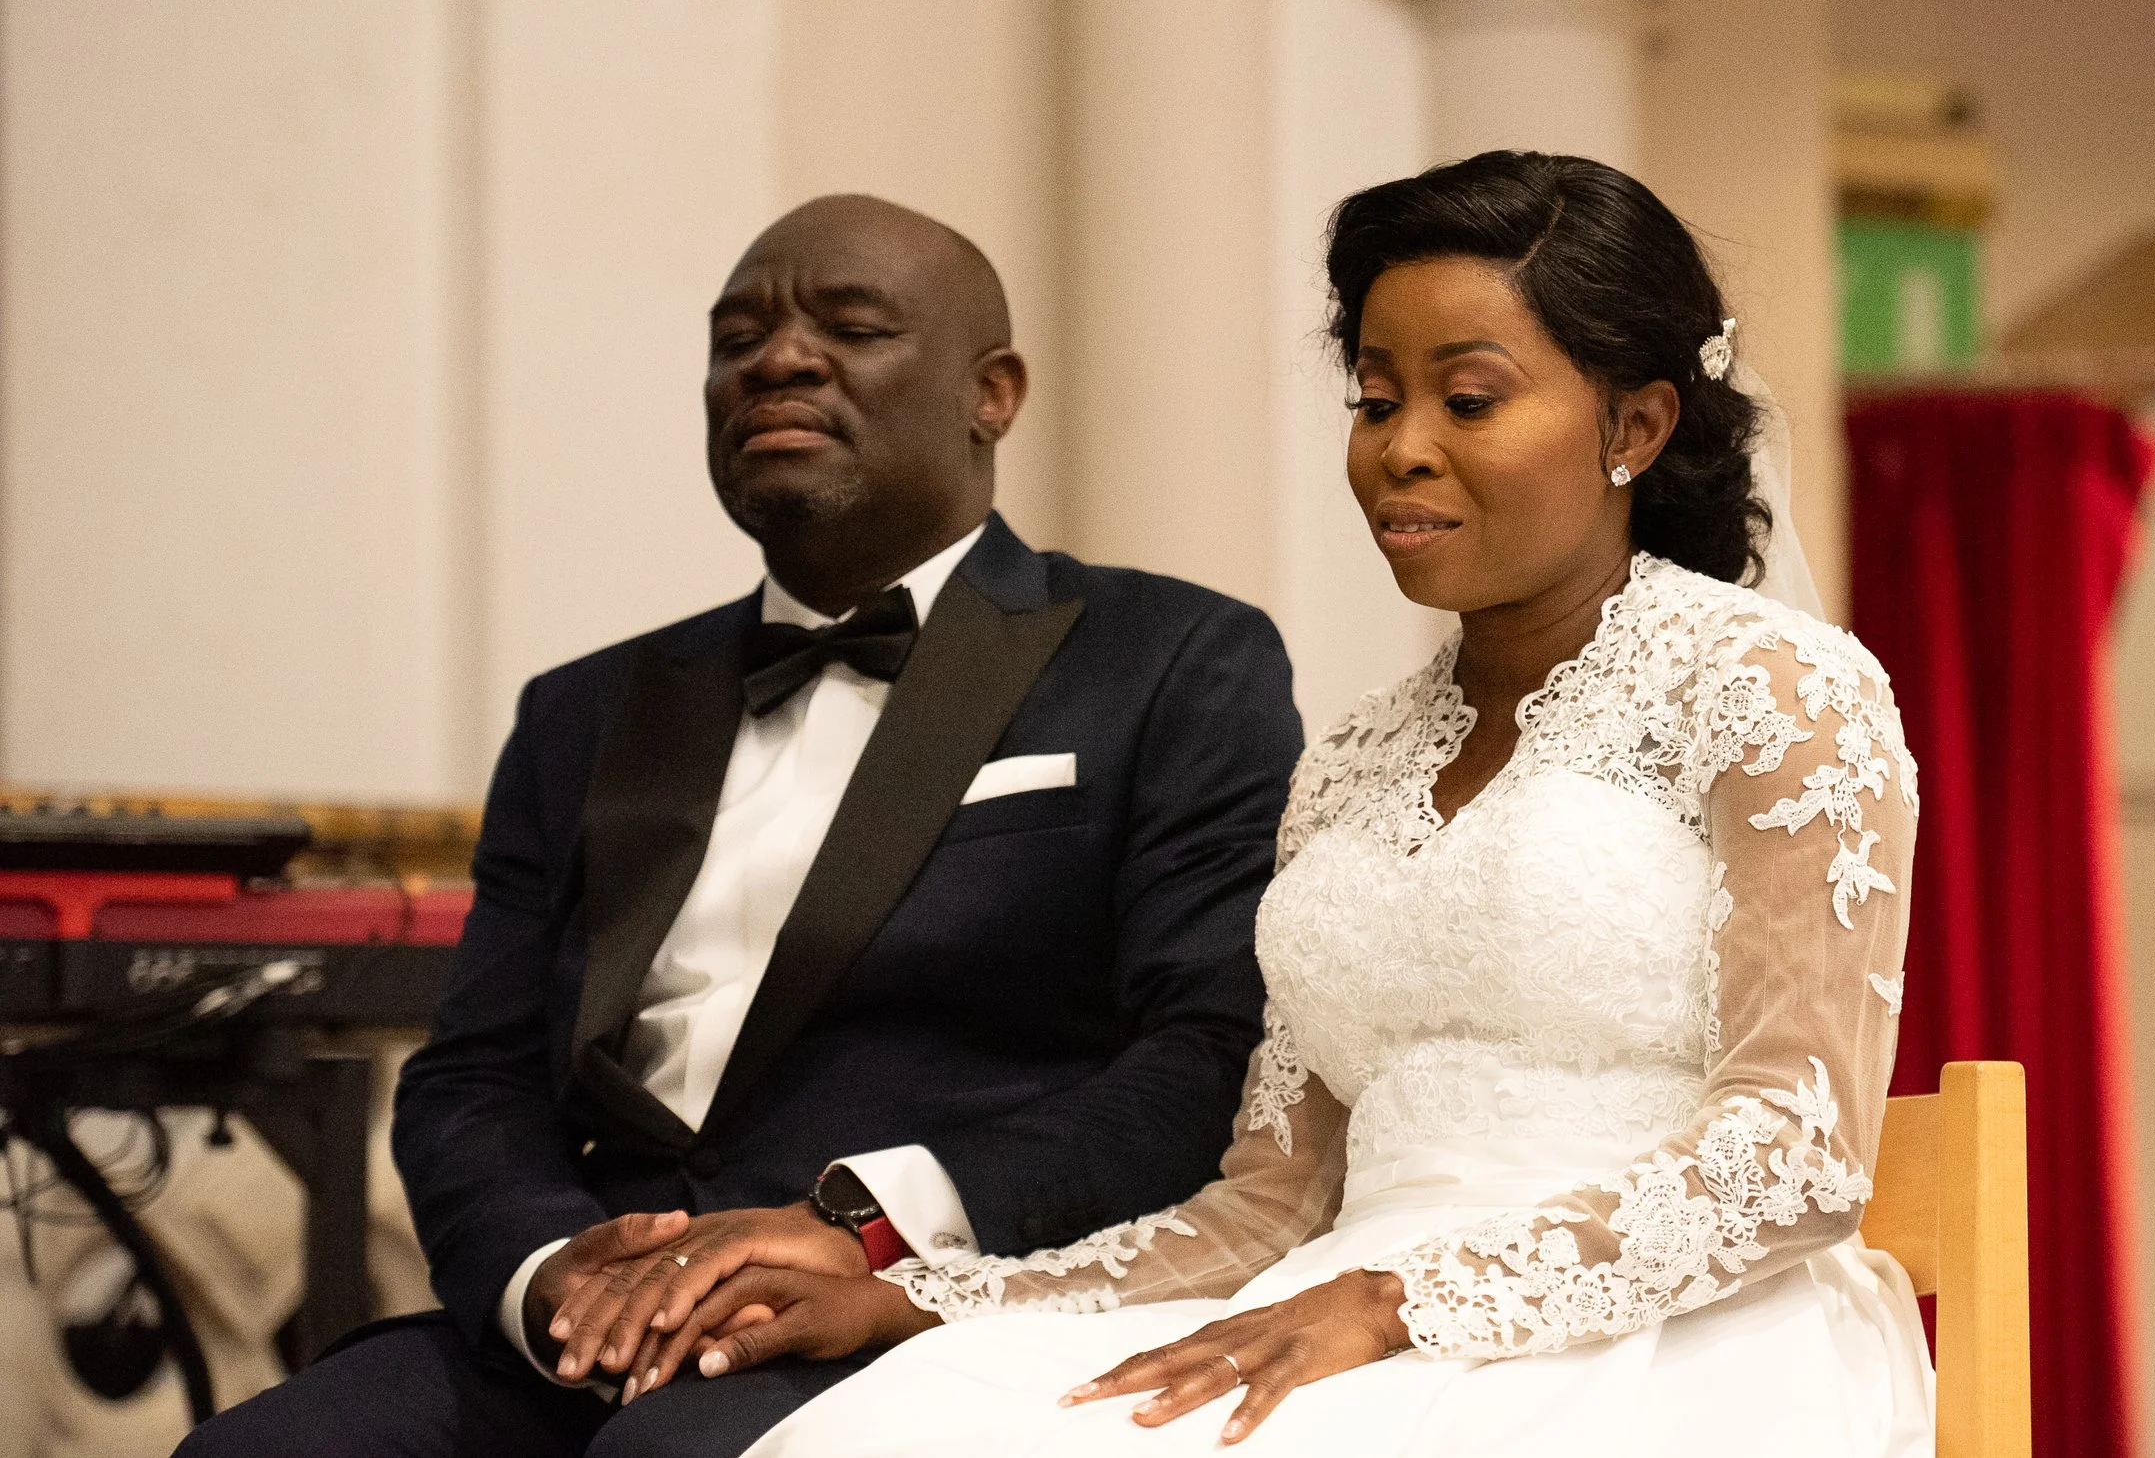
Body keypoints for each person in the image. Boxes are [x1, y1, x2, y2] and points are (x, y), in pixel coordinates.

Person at [651, 151, 1931, 1456]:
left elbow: (1796, 1154)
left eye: (1468, 400)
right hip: (1325, 1310)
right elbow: (1266, 1209)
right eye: (1375, 401)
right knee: (888, 1429)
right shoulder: (1354, 759)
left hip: (1667, 1337)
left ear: (1635, 427)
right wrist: (915, 1298)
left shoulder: (1773, 692)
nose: (1401, 451)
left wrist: (1398, 1302)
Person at [174, 195, 1303, 1458]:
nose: (777, 359)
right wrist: (551, 1271)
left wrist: (864, 1223)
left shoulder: (1168, 659)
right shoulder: (585, 710)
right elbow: (473, 1075)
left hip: (916, 1301)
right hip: (595, 1315)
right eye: (736, 338)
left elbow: (1208, 1052)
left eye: (851, 327)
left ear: (991, 394)